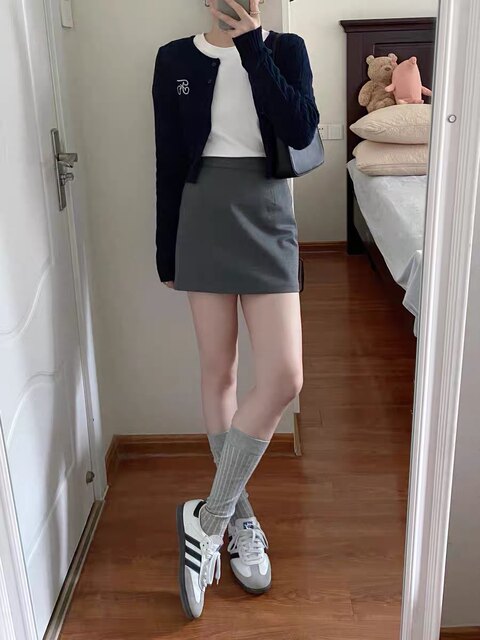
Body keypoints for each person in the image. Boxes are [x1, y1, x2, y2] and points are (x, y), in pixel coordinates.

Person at [152, 0, 319, 619]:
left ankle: (208, 518)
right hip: (201, 217)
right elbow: (169, 158)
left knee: (284, 377)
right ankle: (238, 520)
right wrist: (166, 251)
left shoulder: (286, 49)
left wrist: (252, 45)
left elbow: (300, 128)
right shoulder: (174, 59)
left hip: (268, 212)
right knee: (218, 372)